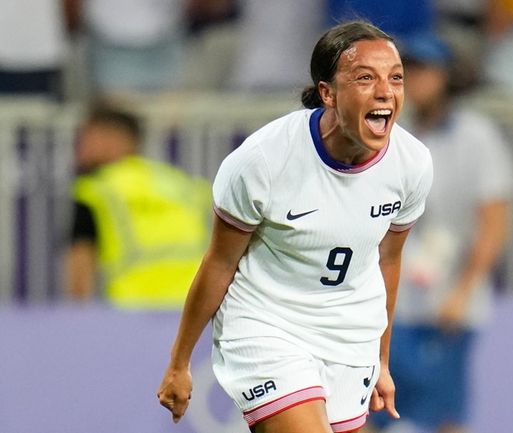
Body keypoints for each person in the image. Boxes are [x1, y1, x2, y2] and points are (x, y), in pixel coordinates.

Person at [156, 20, 433, 433]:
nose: (385, 92)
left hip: (348, 333)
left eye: (395, 78)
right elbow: (219, 262)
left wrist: (380, 360)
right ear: (327, 92)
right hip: (267, 324)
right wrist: (179, 362)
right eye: (364, 78)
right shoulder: (264, 161)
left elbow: (387, 261)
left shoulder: (411, 164)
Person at [367, 33, 513, 433]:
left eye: (425, 71)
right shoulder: (390, 133)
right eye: (407, 72)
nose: (415, 81)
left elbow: (494, 221)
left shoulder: (477, 136)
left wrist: (464, 291)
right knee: (367, 409)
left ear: (448, 77)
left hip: (448, 302)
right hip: (391, 302)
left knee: (446, 417)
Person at [65, 104, 211, 309]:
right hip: (194, 309)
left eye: (87, 137)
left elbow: (80, 265)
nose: (79, 148)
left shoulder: (96, 189)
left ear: (115, 139)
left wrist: (78, 319)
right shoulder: (179, 182)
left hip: (132, 313)